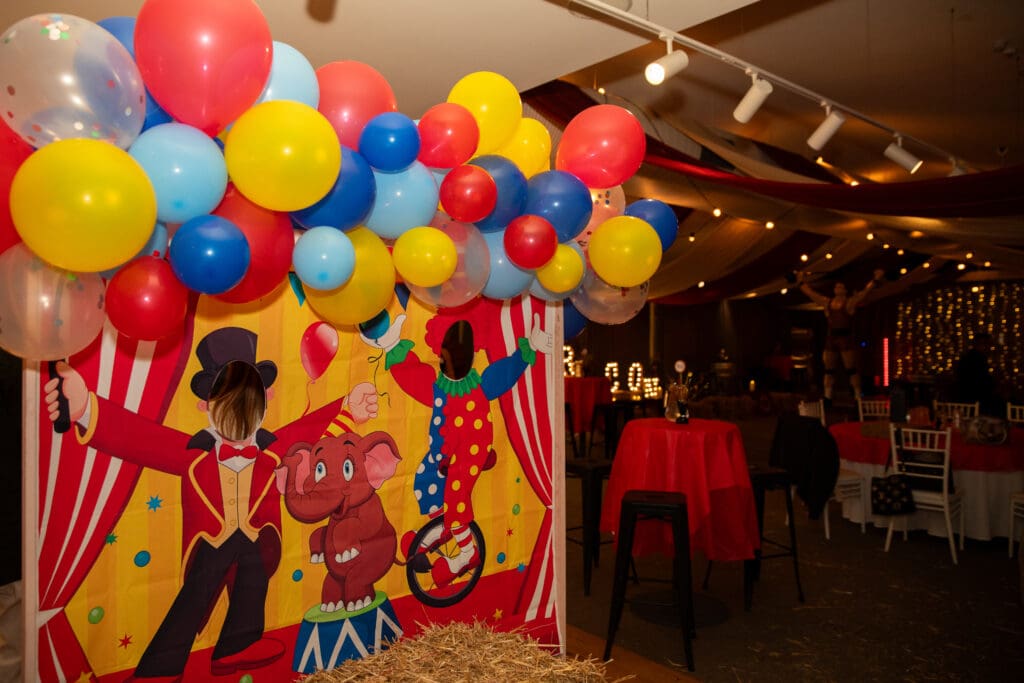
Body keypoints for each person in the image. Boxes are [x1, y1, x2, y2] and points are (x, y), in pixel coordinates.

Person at [44, 327, 378, 682]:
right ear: (205, 405)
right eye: (228, 400)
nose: (240, 410)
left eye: (249, 399)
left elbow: (304, 433)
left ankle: (237, 644)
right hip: (211, 541)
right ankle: (159, 668)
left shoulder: (268, 448)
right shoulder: (194, 453)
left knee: (253, 577)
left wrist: (345, 406)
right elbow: (141, 439)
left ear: (267, 397)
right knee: (194, 597)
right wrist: (85, 409)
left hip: (256, 534)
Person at [796, 269, 885, 401]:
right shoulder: (827, 302)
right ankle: (827, 396)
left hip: (845, 338)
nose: (837, 288)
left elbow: (864, 293)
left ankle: (857, 395)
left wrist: (876, 280)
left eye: (840, 287)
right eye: (836, 287)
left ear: (845, 290)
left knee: (851, 369)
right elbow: (811, 294)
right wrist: (800, 282)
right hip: (831, 338)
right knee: (829, 370)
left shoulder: (849, 302)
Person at [955, 332, 1002, 416]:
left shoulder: (973, 357)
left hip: (971, 395)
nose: (986, 347)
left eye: (987, 344)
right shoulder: (975, 359)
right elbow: (980, 379)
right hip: (973, 395)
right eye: (984, 344)